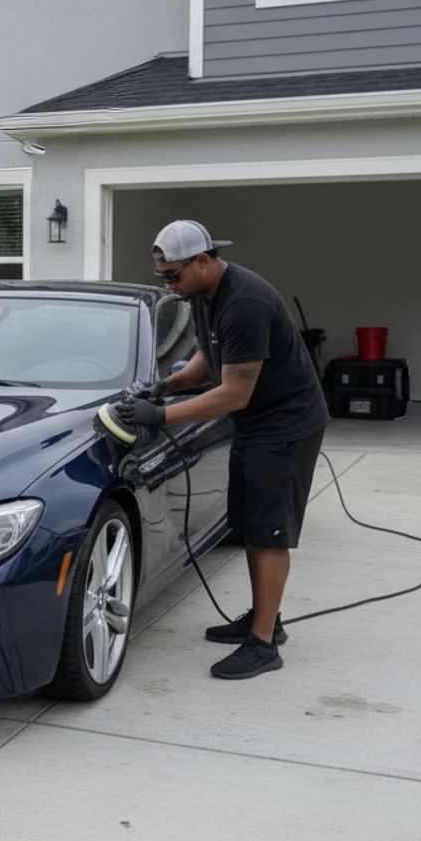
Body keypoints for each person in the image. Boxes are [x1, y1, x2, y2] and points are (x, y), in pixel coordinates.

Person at [117, 220, 329, 680]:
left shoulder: (245, 303)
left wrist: (163, 416)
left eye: (173, 275)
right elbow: (207, 359)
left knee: (270, 533)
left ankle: (264, 645)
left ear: (204, 261)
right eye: (162, 278)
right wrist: (165, 386)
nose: (169, 284)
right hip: (256, 425)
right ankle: (263, 619)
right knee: (251, 526)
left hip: (286, 426)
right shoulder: (204, 297)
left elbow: (234, 392)